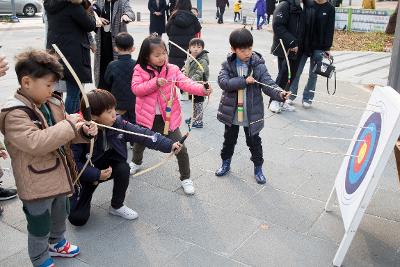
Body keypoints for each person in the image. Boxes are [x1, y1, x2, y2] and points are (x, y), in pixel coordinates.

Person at [0, 50, 97, 267]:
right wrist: (71, 125)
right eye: (48, 85)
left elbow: (64, 135)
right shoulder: (15, 113)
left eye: (53, 85)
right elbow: (36, 142)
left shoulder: (51, 102)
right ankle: (40, 257)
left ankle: (57, 242)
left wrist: (83, 132)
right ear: (26, 82)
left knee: (60, 212)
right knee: (39, 223)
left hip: (58, 174)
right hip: (35, 181)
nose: (52, 90)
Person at [68, 89, 182, 226]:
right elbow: (73, 166)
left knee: (123, 168)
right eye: (109, 112)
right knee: (77, 219)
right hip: (85, 175)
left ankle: (117, 205)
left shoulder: (118, 123)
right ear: (93, 116)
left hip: (108, 166)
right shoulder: (78, 131)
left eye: (114, 110)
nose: (114, 115)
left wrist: (169, 145)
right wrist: (96, 174)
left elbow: (143, 134)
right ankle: (75, 198)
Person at [130, 35, 211, 195]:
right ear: (147, 56)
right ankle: (136, 162)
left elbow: (186, 83)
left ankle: (185, 178)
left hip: (168, 118)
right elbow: (136, 89)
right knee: (140, 142)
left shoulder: (172, 70)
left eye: (163, 53)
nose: (161, 58)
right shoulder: (139, 69)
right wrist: (154, 82)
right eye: (157, 55)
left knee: (180, 148)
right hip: (147, 118)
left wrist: (202, 89)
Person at [215, 28, 289, 184]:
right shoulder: (227, 65)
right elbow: (223, 83)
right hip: (233, 112)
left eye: (250, 48)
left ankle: (258, 167)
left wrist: (280, 93)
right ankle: (225, 162)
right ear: (233, 49)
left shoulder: (258, 65)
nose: (247, 53)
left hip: (251, 113)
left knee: (254, 141)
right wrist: (243, 81)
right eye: (242, 50)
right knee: (229, 140)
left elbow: (268, 83)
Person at [45, 0, 97, 114]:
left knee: (53, 93)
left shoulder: (50, 4)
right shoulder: (73, 6)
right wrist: (89, 8)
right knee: (74, 93)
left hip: (55, 52)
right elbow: (90, 25)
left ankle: (56, 120)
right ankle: (71, 123)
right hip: (74, 55)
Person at [288, 0, 335, 108]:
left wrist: (327, 47)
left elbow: (330, 29)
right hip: (303, 45)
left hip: (319, 47)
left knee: (313, 75)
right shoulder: (308, 4)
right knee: (296, 71)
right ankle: (291, 95)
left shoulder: (330, 8)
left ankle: (308, 98)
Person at [269, 0, 304, 113]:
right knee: (283, 75)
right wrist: (292, 42)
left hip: (299, 49)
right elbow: (278, 25)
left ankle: (282, 101)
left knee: (291, 77)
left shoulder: (306, 6)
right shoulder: (284, 5)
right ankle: (274, 101)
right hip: (286, 48)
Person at [92, 0, 135, 89]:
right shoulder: (99, 2)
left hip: (118, 44)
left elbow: (130, 12)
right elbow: (92, 12)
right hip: (102, 43)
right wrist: (97, 18)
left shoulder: (122, 2)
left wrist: (126, 16)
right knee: (102, 71)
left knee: (117, 71)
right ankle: (103, 94)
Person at [104, 32, 136, 124]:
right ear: (133, 49)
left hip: (117, 105)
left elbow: (107, 82)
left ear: (116, 48)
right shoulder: (137, 64)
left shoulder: (112, 65)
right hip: (134, 104)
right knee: (134, 129)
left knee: (119, 127)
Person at [183, 38, 209, 128]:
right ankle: (194, 117)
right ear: (189, 48)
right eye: (193, 46)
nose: (196, 49)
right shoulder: (190, 57)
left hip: (199, 85)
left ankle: (199, 121)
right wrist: (183, 71)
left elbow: (200, 72)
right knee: (193, 102)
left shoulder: (203, 60)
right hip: (191, 85)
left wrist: (191, 81)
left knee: (198, 104)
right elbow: (186, 67)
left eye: (199, 47)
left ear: (202, 48)